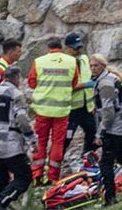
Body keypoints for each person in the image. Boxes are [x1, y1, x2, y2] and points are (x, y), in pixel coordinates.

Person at [90, 55, 122, 204]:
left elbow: (108, 111)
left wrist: (101, 132)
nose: (93, 69)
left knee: (106, 163)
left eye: (96, 66)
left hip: (114, 127)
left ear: (103, 65)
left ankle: (110, 198)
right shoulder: (110, 78)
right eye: (91, 66)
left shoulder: (105, 83)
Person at [27, 37, 79, 184]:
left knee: (40, 142)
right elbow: (74, 83)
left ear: (48, 48)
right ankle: (53, 177)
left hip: (42, 110)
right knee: (57, 143)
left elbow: (32, 83)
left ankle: (37, 175)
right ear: (61, 48)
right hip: (61, 111)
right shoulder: (71, 61)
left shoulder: (39, 61)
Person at [0, 67, 34, 209]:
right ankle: (0, 204)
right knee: (24, 177)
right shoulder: (15, 94)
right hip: (9, 145)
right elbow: (22, 119)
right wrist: (31, 138)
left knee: (1, 181)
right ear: (17, 79)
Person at [62, 31, 97, 158]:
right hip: (70, 110)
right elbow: (65, 87)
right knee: (66, 139)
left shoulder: (84, 59)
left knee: (93, 134)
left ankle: (87, 160)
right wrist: (85, 85)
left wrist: (92, 105)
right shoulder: (64, 63)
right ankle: (54, 167)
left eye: (80, 47)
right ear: (67, 48)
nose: (79, 50)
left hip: (86, 108)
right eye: (75, 48)